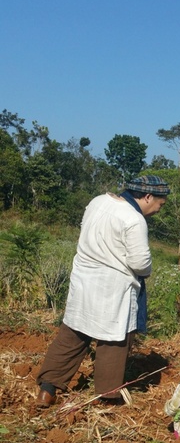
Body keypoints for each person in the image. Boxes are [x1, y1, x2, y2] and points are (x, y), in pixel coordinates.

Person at [35, 173, 170, 408]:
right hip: (113, 287)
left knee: (73, 334)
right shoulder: (134, 220)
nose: (159, 209)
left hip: (84, 280)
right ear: (148, 196)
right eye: (160, 203)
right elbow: (140, 263)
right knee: (114, 340)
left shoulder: (98, 201)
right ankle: (106, 398)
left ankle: (47, 389)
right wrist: (147, 270)